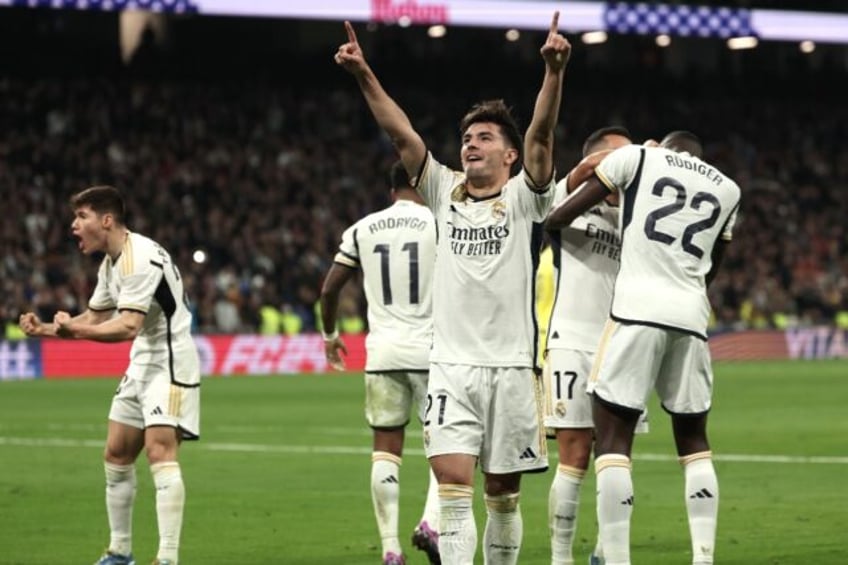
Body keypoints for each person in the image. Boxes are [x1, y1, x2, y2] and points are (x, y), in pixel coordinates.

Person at [336, 12, 570, 565]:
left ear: (508, 156)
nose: (470, 145)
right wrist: (364, 73)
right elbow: (401, 134)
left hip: (512, 368)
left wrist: (553, 73)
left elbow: (540, 135)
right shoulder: (441, 191)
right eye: (466, 138)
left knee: (503, 498)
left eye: (484, 137)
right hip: (451, 367)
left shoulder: (524, 198)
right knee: (454, 489)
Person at [545, 131, 741, 565]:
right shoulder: (727, 188)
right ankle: (700, 558)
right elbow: (711, 267)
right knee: (689, 439)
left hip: (630, 323)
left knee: (613, 445)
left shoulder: (638, 176)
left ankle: (611, 556)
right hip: (659, 323)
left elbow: (554, 218)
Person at [19, 185, 201, 565]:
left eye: (81, 217)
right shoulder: (112, 263)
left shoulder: (140, 259)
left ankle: (167, 558)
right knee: (116, 453)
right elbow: (97, 317)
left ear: (106, 220)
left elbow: (127, 326)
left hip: (170, 361)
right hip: (142, 360)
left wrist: (75, 331)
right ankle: (120, 552)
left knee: (159, 450)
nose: (73, 226)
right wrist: (48, 330)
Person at [320, 161, 441, 565]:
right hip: (433, 352)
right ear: (421, 183)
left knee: (385, 449)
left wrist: (330, 336)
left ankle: (390, 548)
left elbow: (330, 288)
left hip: (383, 353)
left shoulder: (362, 228)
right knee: (448, 445)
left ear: (391, 190)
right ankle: (431, 522)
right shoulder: (441, 222)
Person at [542, 126, 651, 565]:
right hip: (571, 341)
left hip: (622, 346)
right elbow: (576, 181)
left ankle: (607, 551)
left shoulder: (637, 219)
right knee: (574, 454)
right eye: (618, 158)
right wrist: (637, 154)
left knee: (618, 453)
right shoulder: (564, 202)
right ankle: (560, 557)